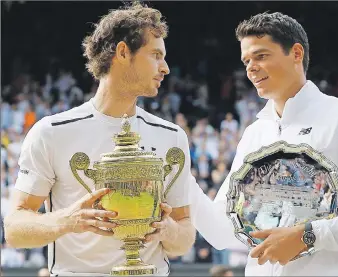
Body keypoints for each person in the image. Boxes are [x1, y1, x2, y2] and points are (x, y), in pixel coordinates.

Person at [191, 11, 338, 276]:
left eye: (261, 56)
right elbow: (224, 233)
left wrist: (308, 236)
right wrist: (180, 180)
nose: (251, 68)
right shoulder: (255, 133)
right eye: (246, 60)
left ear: (296, 53)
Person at [4, 2, 195, 276]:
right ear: (122, 52)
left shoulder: (173, 136)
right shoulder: (52, 131)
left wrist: (169, 230)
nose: (165, 67)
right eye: (155, 55)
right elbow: (14, 230)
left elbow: (184, 238)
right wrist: (67, 221)